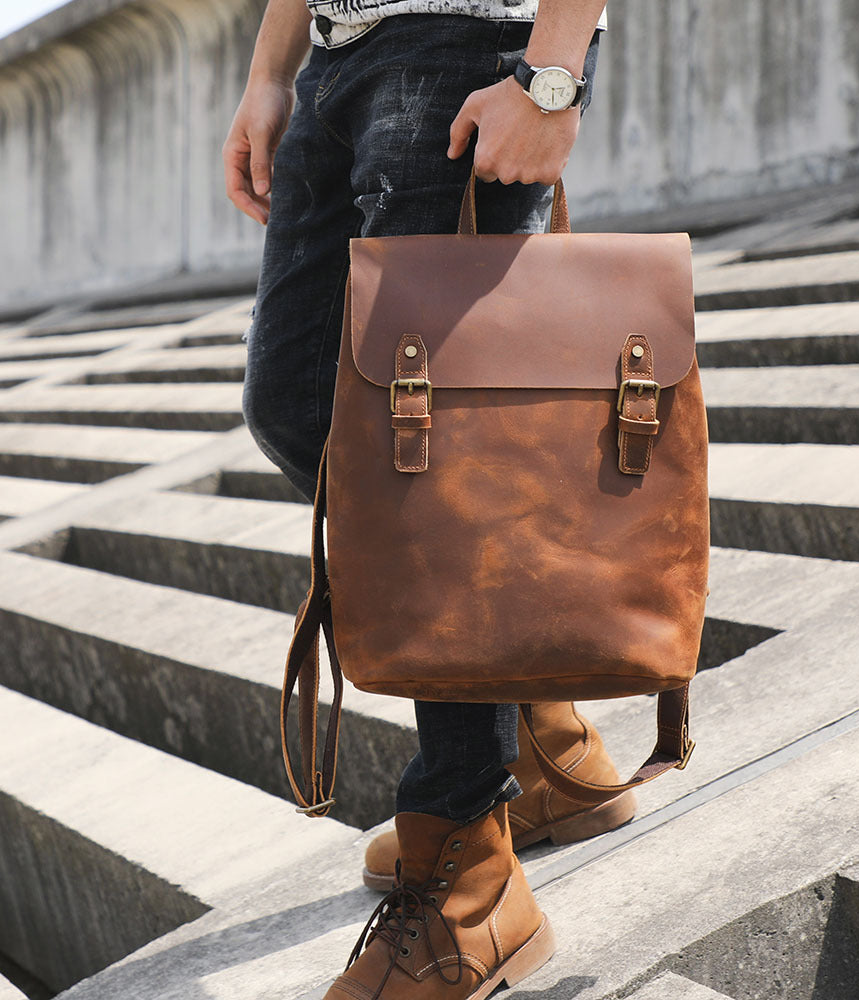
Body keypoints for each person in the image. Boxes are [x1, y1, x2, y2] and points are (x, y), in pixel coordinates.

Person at [224, 3, 628, 997]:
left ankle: (472, 873)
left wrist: (552, 76)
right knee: (295, 409)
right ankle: (536, 732)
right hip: (337, 55)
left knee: (428, 455)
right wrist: (271, 72)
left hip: (467, 44)